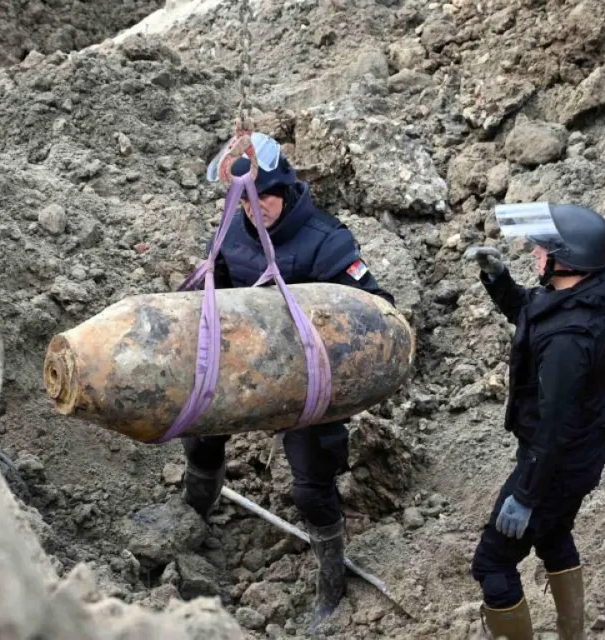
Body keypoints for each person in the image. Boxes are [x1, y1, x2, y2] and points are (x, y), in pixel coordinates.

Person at [181, 133, 395, 631]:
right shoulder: (235, 230)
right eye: (250, 206)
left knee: (310, 483)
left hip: (309, 381)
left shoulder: (328, 241)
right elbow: (222, 289)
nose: (258, 212)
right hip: (249, 365)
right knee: (201, 435)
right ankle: (194, 514)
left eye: (268, 200)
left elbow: (375, 309)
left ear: (287, 190)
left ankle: (331, 580)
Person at [463, 203, 605, 640]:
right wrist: (499, 281)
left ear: (565, 259)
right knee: (553, 534)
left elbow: (554, 426)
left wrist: (526, 495)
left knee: (492, 564)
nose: (533, 251)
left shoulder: (570, 340)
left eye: (543, 247)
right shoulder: (582, 300)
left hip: (555, 464)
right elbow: (533, 314)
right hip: (580, 458)